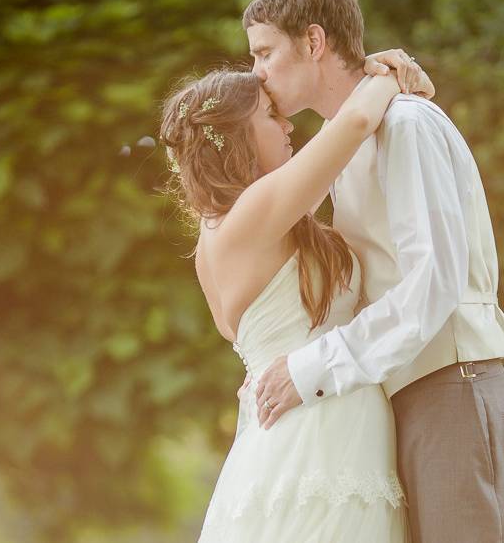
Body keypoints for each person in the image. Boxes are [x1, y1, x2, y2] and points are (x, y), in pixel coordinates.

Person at [245, 0, 504, 542]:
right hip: (405, 395)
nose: (257, 72)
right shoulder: (350, 141)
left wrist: (311, 368)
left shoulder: (407, 125)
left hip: (453, 386)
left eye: (265, 52)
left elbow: (434, 283)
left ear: (315, 42)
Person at [160, 63, 434, 542]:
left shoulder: (233, 227)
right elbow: (350, 125)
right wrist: (393, 71)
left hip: (308, 431)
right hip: (317, 439)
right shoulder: (253, 216)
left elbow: (332, 152)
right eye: (271, 115)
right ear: (237, 136)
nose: (288, 124)